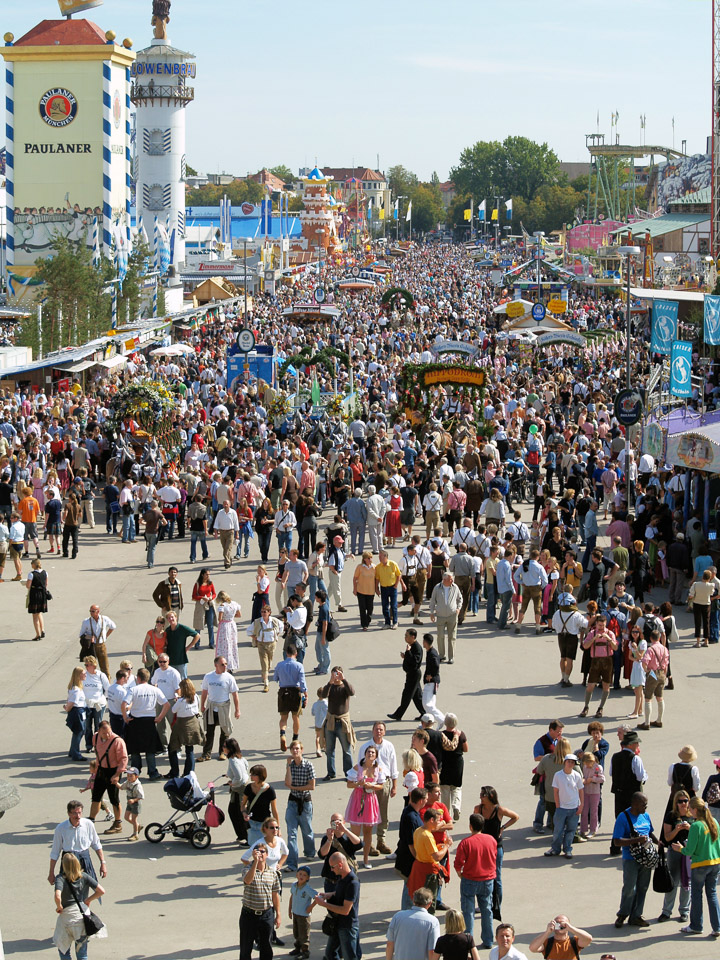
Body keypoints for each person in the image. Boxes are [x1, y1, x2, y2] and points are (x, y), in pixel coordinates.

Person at [671, 796, 720, 935]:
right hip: (715, 863)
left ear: (695, 809)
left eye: (690, 809)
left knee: (697, 895)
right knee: (712, 894)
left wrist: (679, 848)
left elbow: (689, 850)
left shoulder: (696, 826)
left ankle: (696, 926)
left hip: (700, 865)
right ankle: (717, 927)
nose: (689, 811)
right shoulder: (714, 822)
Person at [612, 791, 658, 928]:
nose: (646, 807)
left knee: (643, 887)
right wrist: (636, 840)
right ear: (635, 804)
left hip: (646, 858)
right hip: (630, 859)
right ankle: (622, 914)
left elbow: (650, 833)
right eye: (644, 804)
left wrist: (658, 842)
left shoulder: (646, 815)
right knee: (629, 888)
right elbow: (616, 841)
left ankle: (636, 916)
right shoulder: (623, 817)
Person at [52, 851, 105, 960]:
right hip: (81, 918)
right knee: (82, 954)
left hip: (67, 918)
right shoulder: (84, 876)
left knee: (64, 951)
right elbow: (101, 891)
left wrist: (59, 906)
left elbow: (58, 895)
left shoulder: (60, 878)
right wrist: (87, 900)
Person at [309, 852, 361, 960]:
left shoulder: (352, 883)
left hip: (347, 926)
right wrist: (328, 895)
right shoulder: (342, 877)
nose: (331, 870)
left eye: (332, 867)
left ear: (340, 865)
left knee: (350, 956)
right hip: (338, 923)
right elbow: (340, 893)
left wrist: (323, 904)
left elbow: (345, 910)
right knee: (330, 954)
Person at [454, 813, 496, 948]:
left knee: (468, 911)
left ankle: (468, 941)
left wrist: (460, 873)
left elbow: (458, 862)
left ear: (470, 826)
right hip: (488, 879)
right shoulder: (491, 840)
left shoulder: (466, 842)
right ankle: (488, 940)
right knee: (486, 910)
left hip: (470, 879)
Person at [474, 786, 518, 911]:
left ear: (491, 796)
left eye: (483, 795)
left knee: (496, 877)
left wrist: (503, 827)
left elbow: (515, 816)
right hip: (482, 848)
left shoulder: (499, 810)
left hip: (496, 847)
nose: (481, 797)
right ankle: (484, 904)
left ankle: (496, 905)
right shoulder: (478, 809)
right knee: (481, 876)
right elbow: (474, 825)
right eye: (481, 794)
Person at [121, 668, 170, 780]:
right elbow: (166, 704)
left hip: (135, 721)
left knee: (135, 749)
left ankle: (134, 773)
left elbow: (124, 704)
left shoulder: (133, 689)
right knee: (150, 749)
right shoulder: (154, 689)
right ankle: (152, 772)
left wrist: (125, 718)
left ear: (138, 678)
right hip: (149, 721)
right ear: (148, 678)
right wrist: (160, 717)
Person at [344, 743, 385, 869]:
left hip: (370, 800)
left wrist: (372, 786)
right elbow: (349, 784)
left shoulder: (378, 769)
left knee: (368, 832)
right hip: (358, 799)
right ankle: (351, 857)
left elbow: (381, 785)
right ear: (365, 754)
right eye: (369, 752)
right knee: (355, 832)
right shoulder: (358, 768)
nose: (370, 754)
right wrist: (359, 784)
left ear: (375, 756)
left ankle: (366, 859)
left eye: (373, 753)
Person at [48, 800, 107, 887]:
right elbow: (55, 852)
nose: (78, 816)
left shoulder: (88, 824)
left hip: (85, 860)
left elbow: (96, 844)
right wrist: (51, 873)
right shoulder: (61, 828)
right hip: (69, 862)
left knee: (88, 888)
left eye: (80, 813)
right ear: (69, 813)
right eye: (75, 813)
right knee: (68, 890)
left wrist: (103, 863)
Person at [239, 843, 282, 960]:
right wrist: (255, 863)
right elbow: (248, 880)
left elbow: (275, 895)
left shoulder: (272, 873)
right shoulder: (247, 869)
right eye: (256, 851)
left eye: (262, 851)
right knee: (245, 948)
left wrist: (278, 914)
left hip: (266, 915)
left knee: (266, 948)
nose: (259, 853)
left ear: (267, 855)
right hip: (249, 915)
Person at [658, 789, 692, 923]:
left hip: (688, 852)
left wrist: (690, 828)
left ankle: (684, 911)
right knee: (672, 881)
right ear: (676, 803)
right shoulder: (671, 816)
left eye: (685, 801)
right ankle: (666, 911)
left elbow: (699, 834)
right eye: (680, 801)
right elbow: (667, 837)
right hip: (674, 851)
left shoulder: (692, 816)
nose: (683, 804)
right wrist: (676, 830)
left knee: (686, 883)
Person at [199, 655, 241, 762]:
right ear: (216, 665)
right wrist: (202, 705)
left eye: (226, 664)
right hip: (211, 707)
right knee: (209, 731)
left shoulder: (229, 678)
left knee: (224, 732)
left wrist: (237, 710)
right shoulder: (208, 676)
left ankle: (222, 752)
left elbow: (235, 695)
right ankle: (206, 753)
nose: (225, 666)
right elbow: (204, 692)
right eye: (222, 664)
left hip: (223, 707)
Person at [284, 740, 316, 873]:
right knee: (291, 833)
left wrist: (296, 787)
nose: (295, 751)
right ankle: (292, 863)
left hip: (305, 801)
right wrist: (288, 766)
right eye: (293, 749)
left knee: (306, 830)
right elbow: (287, 783)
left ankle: (309, 852)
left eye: (297, 749)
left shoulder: (308, 765)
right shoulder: (291, 766)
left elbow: (311, 786)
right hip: (292, 802)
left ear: (301, 750)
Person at [579, 612, 618, 719]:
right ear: (596, 624)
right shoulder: (592, 633)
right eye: (599, 625)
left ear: (606, 624)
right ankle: (586, 707)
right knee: (590, 685)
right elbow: (585, 646)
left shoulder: (610, 634)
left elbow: (615, 648)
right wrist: (593, 639)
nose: (601, 628)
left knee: (606, 685)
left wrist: (608, 639)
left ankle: (600, 708)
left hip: (607, 661)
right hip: (595, 662)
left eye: (603, 625)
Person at [544, 753, 583, 859]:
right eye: (568, 761)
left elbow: (580, 790)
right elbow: (555, 791)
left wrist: (581, 805)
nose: (570, 764)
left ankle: (568, 849)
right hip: (562, 808)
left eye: (572, 762)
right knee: (558, 830)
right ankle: (555, 849)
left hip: (574, 808)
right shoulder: (558, 775)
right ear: (564, 762)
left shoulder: (577, 775)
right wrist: (558, 805)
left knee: (571, 830)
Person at [321, 665, 356, 781]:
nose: (336, 676)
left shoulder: (344, 687)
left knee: (346, 750)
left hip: (342, 723)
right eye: (334, 674)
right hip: (331, 722)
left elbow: (351, 692)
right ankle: (331, 773)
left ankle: (348, 773)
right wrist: (330, 682)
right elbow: (323, 695)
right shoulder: (330, 687)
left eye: (338, 674)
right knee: (329, 750)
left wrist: (344, 679)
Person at [387, 888, 441, 960]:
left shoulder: (398, 916)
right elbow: (432, 950)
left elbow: (390, 944)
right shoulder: (432, 922)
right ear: (430, 903)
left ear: (413, 901)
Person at [167, 677, 204, 778]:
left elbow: (173, 710)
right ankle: (189, 773)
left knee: (172, 748)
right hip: (193, 723)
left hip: (181, 725)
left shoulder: (181, 701)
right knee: (189, 749)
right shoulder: (195, 697)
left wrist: (177, 700)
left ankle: (175, 772)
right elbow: (197, 710)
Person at [274, 644, 308, 752]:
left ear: (286, 653)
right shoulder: (299, 666)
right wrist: (305, 694)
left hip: (283, 692)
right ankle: (295, 739)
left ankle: (282, 734)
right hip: (295, 691)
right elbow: (302, 682)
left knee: (283, 718)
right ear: (296, 653)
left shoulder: (279, 665)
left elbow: (275, 678)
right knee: (295, 717)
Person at [387, 628, 424, 722]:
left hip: (414, 674)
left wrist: (408, 653)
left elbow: (415, 662)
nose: (405, 637)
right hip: (411, 674)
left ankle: (398, 714)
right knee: (417, 696)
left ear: (413, 637)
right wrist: (406, 655)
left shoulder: (416, 647)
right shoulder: (411, 645)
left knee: (407, 694)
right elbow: (411, 659)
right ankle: (424, 713)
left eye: (406, 636)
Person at [551, 593, 587, 688]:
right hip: (572, 637)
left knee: (563, 657)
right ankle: (566, 680)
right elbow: (585, 624)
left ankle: (563, 677)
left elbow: (553, 626)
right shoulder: (576, 614)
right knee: (570, 659)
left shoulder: (557, 613)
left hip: (561, 636)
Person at [428, 572, 463, 664]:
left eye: (452, 579)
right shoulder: (437, 588)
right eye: (450, 579)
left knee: (452, 637)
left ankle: (451, 657)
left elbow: (460, 599)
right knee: (440, 636)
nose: (452, 580)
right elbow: (432, 600)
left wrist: (458, 609)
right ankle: (441, 655)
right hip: (440, 616)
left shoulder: (455, 587)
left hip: (452, 615)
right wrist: (431, 613)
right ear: (444, 580)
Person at [242, 766, 280, 848]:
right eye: (251, 774)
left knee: (264, 848)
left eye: (253, 774)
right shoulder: (249, 787)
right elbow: (243, 804)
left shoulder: (270, 790)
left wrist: (277, 828)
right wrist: (244, 813)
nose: (251, 776)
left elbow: (274, 810)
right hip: (251, 822)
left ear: (260, 776)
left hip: (264, 824)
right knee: (254, 848)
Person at [222, 737, 250, 844]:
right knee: (234, 811)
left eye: (224, 746)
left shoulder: (232, 760)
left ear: (229, 749)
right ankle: (242, 834)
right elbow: (245, 768)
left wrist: (232, 782)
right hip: (241, 787)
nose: (223, 748)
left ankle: (248, 838)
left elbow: (239, 777)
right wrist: (229, 775)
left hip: (240, 789)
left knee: (241, 813)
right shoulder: (240, 758)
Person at [252, 604, 284, 693]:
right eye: (262, 612)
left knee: (269, 663)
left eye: (265, 612)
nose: (263, 613)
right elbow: (249, 631)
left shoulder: (274, 621)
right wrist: (255, 637)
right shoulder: (257, 621)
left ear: (269, 613)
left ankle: (264, 674)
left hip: (272, 644)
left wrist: (277, 635)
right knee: (264, 664)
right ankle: (266, 683)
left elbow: (281, 627)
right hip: (261, 645)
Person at [288, 865, 317, 960]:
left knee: (304, 934)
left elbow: (317, 897)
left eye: (304, 875)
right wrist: (289, 909)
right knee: (296, 932)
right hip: (295, 913)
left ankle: (305, 951)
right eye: (300, 874)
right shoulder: (293, 885)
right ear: (296, 875)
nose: (301, 876)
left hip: (304, 915)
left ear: (308, 878)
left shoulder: (307, 888)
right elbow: (292, 897)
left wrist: (310, 907)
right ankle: (297, 948)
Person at [78, 606, 116, 678]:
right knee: (90, 667)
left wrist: (106, 636)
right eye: (90, 611)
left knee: (105, 667)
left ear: (98, 611)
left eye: (93, 611)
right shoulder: (86, 622)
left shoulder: (104, 619)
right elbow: (81, 635)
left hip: (101, 645)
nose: (91, 613)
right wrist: (89, 637)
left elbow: (113, 627)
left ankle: (107, 685)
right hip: (91, 647)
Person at [527, 916, 592, 957]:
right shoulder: (547, 943)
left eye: (563, 923)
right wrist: (547, 932)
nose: (560, 925)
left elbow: (588, 939)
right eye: (557, 923)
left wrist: (571, 928)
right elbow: (532, 948)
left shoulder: (574, 941)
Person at [164, 610, 200, 681]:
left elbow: (197, 635)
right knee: (171, 680)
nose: (171, 619)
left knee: (183, 680)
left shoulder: (182, 628)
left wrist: (188, 647)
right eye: (169, 618)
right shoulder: (167, 630)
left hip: (181, 660)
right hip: (170, 660)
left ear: (176, 617)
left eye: (172, 617)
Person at [375, 549, 404, 629]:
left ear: (385, 557)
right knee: (385, 606)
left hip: (392, 587)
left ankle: (395, 622)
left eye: (381, 557)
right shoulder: (378, 567)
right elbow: (377, 578)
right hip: (383, 588)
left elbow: (398, 575)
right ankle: (387, 623)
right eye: (379, 557)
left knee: (394, 605)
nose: (379, 558)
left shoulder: (393, 564)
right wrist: (376, 588)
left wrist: (396, 585)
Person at [64, 667, 87, 762]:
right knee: (78, 732)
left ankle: (72, 750)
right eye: (84, 673)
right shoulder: (76, 689)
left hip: (79, 710)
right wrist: (67, 708)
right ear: (79, 675)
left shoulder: (75, 687)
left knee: (79, 732)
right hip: (78, 712)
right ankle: (76, 754)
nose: (85, 675)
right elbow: (72, 702)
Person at [421, 633, 444, 725]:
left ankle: (442, 720)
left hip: (432, 682)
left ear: (425, 642)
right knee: (429, 703)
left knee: (427, 704)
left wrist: (431, 675)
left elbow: (436, 665)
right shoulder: (430, 651)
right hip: (431, 682)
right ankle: (430, 721)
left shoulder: (432, 653)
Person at [192, 568, 217, 649]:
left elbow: (214, 593)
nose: (208, 576)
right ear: (202, 574)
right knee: (198, 625)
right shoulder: (197, 584)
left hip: (209, 604)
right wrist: (202, 597)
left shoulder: (210, 583)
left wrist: (210, 597)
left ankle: (211, 643)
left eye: (209, 574)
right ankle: (197, 643)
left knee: (210, 625)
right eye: (207, 574)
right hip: (200, 605)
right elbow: (194, 596)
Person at [26, 556, 50, 641]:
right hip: (43, 594)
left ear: (34, 565)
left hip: (35, 595)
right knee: (39, 613)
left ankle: (38, 634)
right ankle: (42, 630)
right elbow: (46, 584)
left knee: (35, 615)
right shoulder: (45, 572)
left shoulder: (31, 574)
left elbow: (28, 586)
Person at [352, 551, 376, 631]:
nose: (370, 559)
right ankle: (364, 624)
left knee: (370, 608)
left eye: (371, 558)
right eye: (368, 558)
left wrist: (377, 589)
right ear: (364, 559)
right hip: (361, 590)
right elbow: (355, 578)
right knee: (362, 608)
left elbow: (376, 579)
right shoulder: (360, 567)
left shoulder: (374, 567)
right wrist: (355, 589)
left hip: (371, 591)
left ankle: (368, 620)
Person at [118, 766, 144, 841]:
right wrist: (115, 782)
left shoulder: (138, 785)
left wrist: (134, 800)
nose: (129, 777)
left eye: (131, 776)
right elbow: (121, 787)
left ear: (136, 776)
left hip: (136, 803)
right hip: (129, 802)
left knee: (134, 819)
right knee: (126, 817)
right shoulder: (128, 782)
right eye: (128, 775)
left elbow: (141, 796)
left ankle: (135, 834)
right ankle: (138, 826)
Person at [315, 588, 332, 676]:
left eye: (316, 597)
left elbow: (325, 624)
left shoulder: (324, 609)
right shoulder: (322, 606)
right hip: (319, 631)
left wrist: (323, 637)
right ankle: (321, 665)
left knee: (325, 650)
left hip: (322, 633)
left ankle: (325, 668)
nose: (315, 598)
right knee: (318, 649)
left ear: (319, 598)